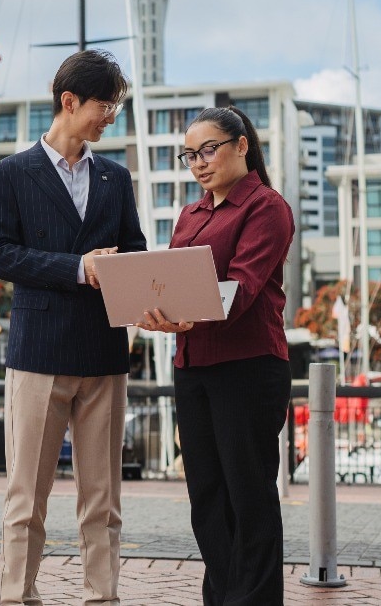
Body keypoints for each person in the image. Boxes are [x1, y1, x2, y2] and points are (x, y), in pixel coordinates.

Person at [0, 49, 148, 606]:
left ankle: (103, 598)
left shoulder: (116, 178)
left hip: (104, 356)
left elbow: (136, 252)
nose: (110, 118)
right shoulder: (8, 174)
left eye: (116, 108)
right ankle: (16, 597)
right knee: (26, 497)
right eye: (105, 106)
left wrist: (153, 292)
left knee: (102, 501)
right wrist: (80, 268)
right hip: (37, 356)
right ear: (69, 102)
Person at [137, 106, 294, 606]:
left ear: (241, 145)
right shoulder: (190, 213)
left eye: (209, 150)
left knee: (248, 496)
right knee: (206, 497)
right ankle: (224, 597)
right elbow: (172, 279)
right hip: (193, 366)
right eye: (190, 155)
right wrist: (156, 310)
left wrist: (189, 312)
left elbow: (244, 285)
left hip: (247, 366)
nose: (199, 163)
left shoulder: (266, 207)